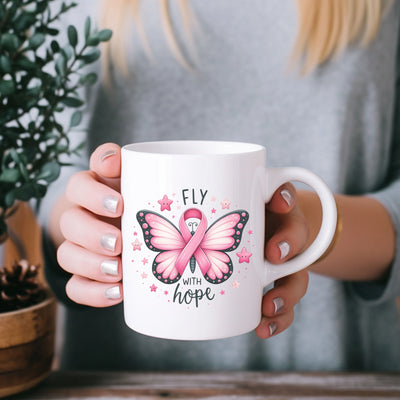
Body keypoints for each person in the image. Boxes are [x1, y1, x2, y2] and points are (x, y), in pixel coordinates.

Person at [41, 0, 400, 371]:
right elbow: (47, 171)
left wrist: (303, 223)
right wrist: (77, 224)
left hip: (340, 379)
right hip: (112, 378)